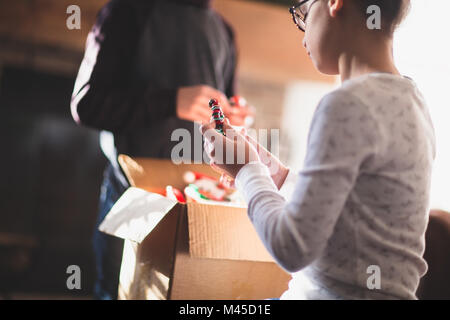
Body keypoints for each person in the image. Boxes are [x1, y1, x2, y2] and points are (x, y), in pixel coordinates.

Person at [201, 0, 436, 299]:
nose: (302, 36)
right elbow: (351, 208)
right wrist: (272, 171)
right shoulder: (412, 100)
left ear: (335, 3)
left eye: (304, 13)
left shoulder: (348, 103)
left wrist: (247, 171)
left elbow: (291, 248)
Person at [71, 0, 249, 299]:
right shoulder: (125, 12)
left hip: (196, 203)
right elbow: (86, 104)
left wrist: (233, 116)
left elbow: (223, 105)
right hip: (131, 195)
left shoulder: (224, 31)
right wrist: (171, 101)